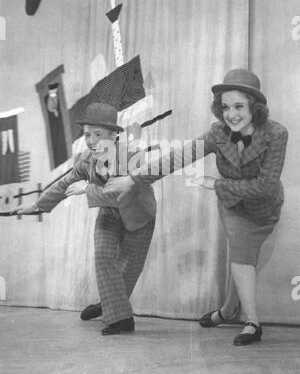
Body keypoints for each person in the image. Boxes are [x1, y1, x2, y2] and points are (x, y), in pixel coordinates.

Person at [104, 68, 289, 346]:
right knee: (241, 256)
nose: (232, 114)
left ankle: (229, 310)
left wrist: (216, 184)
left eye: (239, 106)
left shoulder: (277, 133)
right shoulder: (218, 133)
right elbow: (178, 157)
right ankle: (252, 323)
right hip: (233, 208)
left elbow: (265, 185)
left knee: (241, 258)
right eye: (225, 107)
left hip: (264, 209)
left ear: (255, 106)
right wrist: (133, 179)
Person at [16, 102, 157, 336]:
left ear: (114, 135)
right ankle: (122, 320)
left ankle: (108, 305)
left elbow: (124, 194)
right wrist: (38, 205)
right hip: (109, 214)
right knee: (103, 256)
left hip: (138, 217)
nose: (91, 141)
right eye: (87, 134)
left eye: (98, 134)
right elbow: (64, 183)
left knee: (128, 270)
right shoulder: (87, 160)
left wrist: (88, 189)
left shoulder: (133, 157)